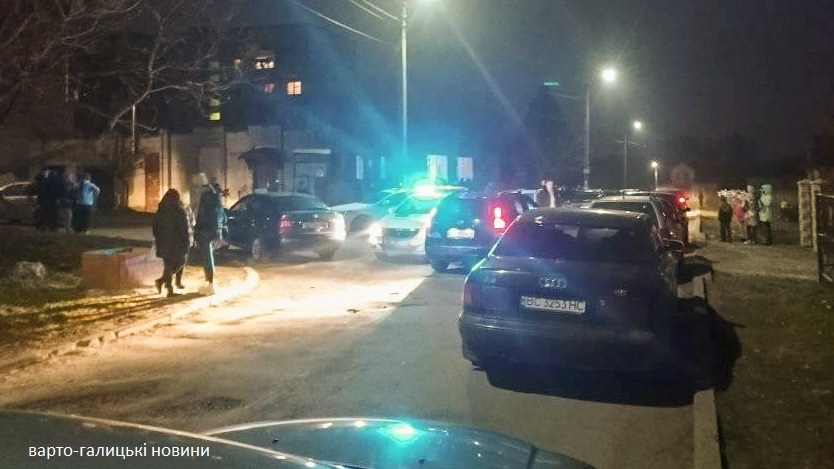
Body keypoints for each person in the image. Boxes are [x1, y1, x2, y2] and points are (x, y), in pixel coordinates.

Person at [152, 189, 190, 297]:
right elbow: (183, 229)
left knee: (168, 265)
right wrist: (186, 242)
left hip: (163, 242)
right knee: (180, 261)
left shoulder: (160, 210)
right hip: (176, 243)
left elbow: (155, 227)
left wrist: (158, 238)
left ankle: (166, 286)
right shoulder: (179, 211)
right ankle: (164, 284)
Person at [191, 172, 224, 295]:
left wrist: (198, 230)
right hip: (211, 229)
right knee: (208, 256)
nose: (195, 189)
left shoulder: (206, 197)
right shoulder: (212, 195)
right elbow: (218, 213)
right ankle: (209, 282)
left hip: (205, 230)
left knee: (207, 257)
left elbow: (203, 216)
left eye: (196, 186)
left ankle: (210, 283)